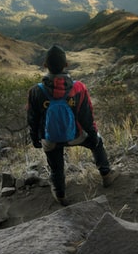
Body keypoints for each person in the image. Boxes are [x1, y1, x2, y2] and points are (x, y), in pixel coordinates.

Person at [27, 44, 118, 205]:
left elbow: (32, 119)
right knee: (98, 143)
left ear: (45, 65)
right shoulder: (79, 88)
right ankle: (106, 174)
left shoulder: (36, 91)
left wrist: (35, 139)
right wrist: (93, 134)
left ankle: (60, 194)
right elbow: (87, 116)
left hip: (51, 139)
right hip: (76, 135)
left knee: (56, 166)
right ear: (66, 65)